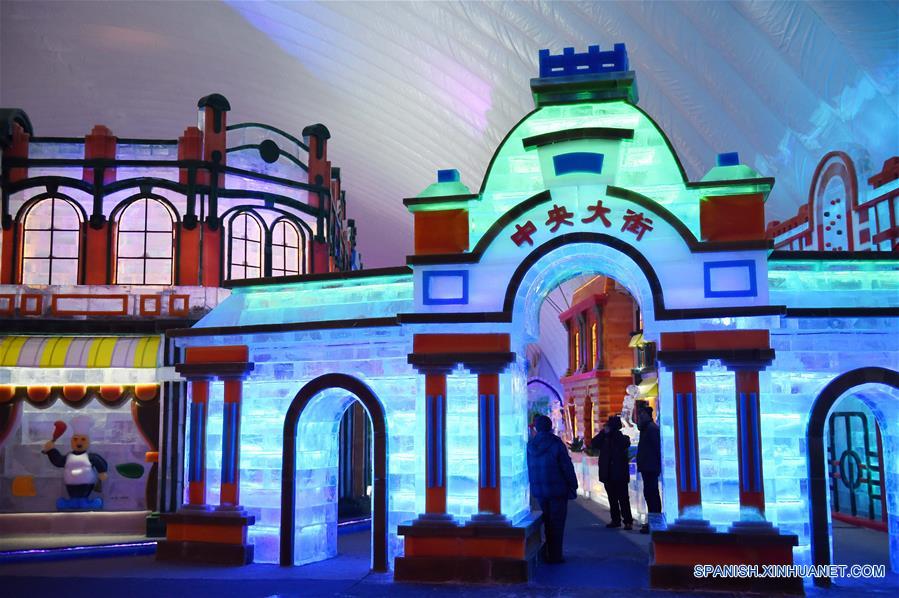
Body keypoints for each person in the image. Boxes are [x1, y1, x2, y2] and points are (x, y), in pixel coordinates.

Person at [527, 414, 578, 564]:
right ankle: (555, 555)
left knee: (547, 522)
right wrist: (573, 484)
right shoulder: (556, 443)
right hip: (557, 490)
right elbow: (566, 466)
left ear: (536, 428)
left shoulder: (530, 445)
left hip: (540, 491)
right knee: (557, 523)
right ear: (550, 427)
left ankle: (547, 551)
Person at [595, 415, 633, 530]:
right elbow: (594, 443)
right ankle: (616, 520)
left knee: (623, 498)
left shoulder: (622, 438)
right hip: (609, 473)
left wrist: (611, 433)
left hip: (619, 474)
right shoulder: (605, 438)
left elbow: (623, 443)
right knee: (612, 498)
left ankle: (627, 521)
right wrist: (603, 433)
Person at [636, 406, 662, 534]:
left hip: (651, 467)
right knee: (649, 494)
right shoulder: (646, 428)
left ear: (647, 415)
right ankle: (653, 520)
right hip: (648, 466)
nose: (639, 418)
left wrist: (657, 465)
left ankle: (655, 521)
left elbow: (657, 448)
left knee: (652, 495)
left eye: (641, 415)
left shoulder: (651, 429)